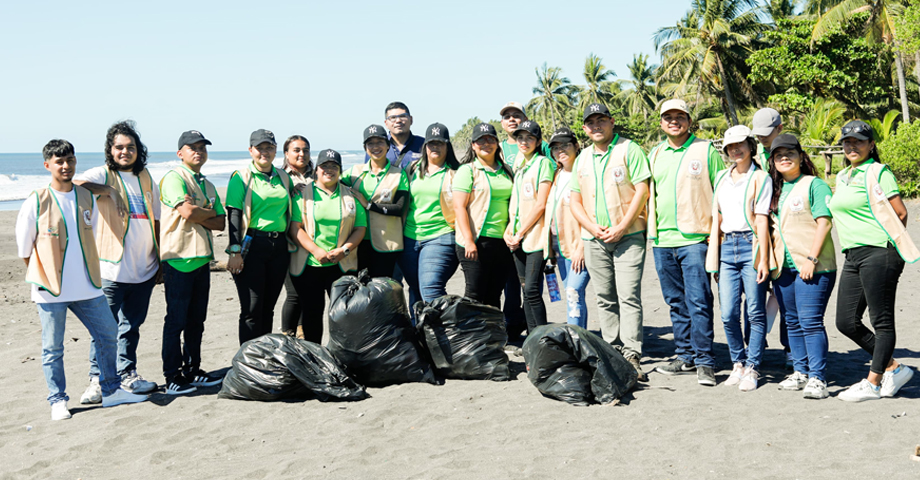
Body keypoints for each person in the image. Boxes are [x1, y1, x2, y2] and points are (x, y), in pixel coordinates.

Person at [16, 139, 147, 420]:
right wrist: (43, 275)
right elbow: (25, 250)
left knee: (108, 335)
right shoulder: (36, 200)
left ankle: (111, 391)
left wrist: (109, 191)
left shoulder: (86, 197)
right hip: (51, 290)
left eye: (70, 160)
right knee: (53, 348)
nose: (66, 166)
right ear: (47, 165)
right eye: (59, 161)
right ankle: (57, 400)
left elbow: (92, 232)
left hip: (88, 286)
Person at [829, 120, 917, 401]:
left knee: (881, 321)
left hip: (879, 252)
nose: (852, 146)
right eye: (847, 141)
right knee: (846, 322)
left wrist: (887, 245)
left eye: (858, 141)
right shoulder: (842, 176)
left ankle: (874, 382)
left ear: (871, 144)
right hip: (852, 254)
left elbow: (900, 213)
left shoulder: (878, 172)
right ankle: (893, 367)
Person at [73, 121, 160, 403]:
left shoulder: (145, 177)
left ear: (138, 150)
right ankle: (97, 379)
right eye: (119, 147)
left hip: (144, 268)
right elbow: (74, 183)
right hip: (111, 269)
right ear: (110, 150)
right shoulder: (103, 174)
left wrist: (160, 259)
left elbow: (156, 220)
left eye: (130, 147)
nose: (125, 152)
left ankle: (126, 374)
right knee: (104, 328)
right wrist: (108, 191)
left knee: (130, 327)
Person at [569, 103, 651, 381]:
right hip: (594, 239)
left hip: (628, 236)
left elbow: (642, 190)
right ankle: (612, 351)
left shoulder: (629, 149)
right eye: (591, 122)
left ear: (611, 122)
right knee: (604, 298)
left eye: (601, 120)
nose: (596, 126)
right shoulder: (582, 158)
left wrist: (622, 226)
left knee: (628, 296)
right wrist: (591, 227)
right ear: (584, 128)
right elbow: (575, 200)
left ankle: (632, 354)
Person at [649, 99, 725, 387]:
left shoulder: (705, 150)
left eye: (680, 116)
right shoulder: (655, 153)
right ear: (660, 123)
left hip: (695, 238)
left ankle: (705, 361)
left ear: (689, 121)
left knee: (699, 301)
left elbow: (722, 192)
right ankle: (685, 356)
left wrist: (716, 236)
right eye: (668, 117)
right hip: (662, 240)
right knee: (675, 303)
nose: (674, 121)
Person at [768, 134, 837, 399]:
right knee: (792, 321)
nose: (784, 158)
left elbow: (825, 223)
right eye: (778, 155)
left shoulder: (814, 185)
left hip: (813, 266)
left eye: (790, 153)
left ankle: (818, 377)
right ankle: (800, 371)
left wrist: (812, 258)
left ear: (801, 156)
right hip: (783, 267)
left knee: (810, 321)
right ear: (773, 161)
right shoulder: (774, 189)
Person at [704, 125, 773, 392]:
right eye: (730, 146)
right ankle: (738, 363)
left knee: (755, 310)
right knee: (728, 313)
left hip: (749, 244)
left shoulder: (761, 177)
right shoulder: (722, 177)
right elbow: (717, 215)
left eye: (740, 144)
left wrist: (764, 258)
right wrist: (714, 251)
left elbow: (762, 219)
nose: (735, 150)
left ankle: (753, 366)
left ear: (750, 146)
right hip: (726, 247)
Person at [158, 130, 226, 395]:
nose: (198, 152)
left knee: (197, 321)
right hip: (178, 259)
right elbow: (187, 212)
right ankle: (172, 376)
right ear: (180, 153)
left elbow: (220, 222)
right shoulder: (174, 178)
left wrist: (200, 212)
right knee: (176, 321)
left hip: (201, 260)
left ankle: (192, 369)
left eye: (202, 148)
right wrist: (202, 212)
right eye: (192, 148)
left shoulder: (206, 184)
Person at [288, 149, 366, 343]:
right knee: (312, 313)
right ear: (317, 169)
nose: (329, 170)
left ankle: (340, 353)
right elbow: (295, 227)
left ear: (340, 170)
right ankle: (315, 353)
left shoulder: (350, 195)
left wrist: (344, 250)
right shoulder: (303, 194)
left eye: (334, 166)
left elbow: (360, 228)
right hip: (310, 265)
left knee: (343, 314)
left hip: (341, 264)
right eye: (324, 166)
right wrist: (316, 250)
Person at [226, 129, 294, 345]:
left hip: (279, 246)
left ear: (275, 150)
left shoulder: (284, 177)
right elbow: (234, 215)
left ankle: (264, 355)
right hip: (252, 245)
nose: (264, 152)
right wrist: (234, 251)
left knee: (268, 308)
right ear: (250, 150)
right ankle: (247, 359)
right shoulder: (241, 177)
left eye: (269, 147)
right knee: (251, 309)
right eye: (259, 148)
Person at [399, 123, 460, 312]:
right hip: (410, 238)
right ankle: (419, 328)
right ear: (425, 146)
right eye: (431, 143)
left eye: (440, 143)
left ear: (447, 146)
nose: (435, 147)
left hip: (441, 235)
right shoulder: (411, 169)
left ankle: (444, 328)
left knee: (431, 288)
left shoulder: (456, 173)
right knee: (415, 288)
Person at [453, 123, 515, 309]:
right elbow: (459, 207)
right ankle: (469, 329)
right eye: (481, 140)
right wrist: (469, 241)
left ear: (497, 143)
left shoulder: (507, 171)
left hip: (502, 241)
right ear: (473, 145)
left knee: (494, 294)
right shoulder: (468, 170)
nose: (486, 144)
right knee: (474, 294)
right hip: (476, 241)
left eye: (490, 139)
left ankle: (492, 329)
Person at [505, 120, 555, 334]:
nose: (524, 142)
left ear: (538, 141)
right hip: (518, 238)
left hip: (535, 236)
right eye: (520, 138)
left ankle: (542, 339)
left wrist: (520, 232)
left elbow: (541, 204)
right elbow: (516, 205)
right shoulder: (519, 166)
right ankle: (532, 339)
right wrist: (509, 230)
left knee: (533, 290)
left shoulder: (543, 163)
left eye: (529, 138)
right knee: (526, 290)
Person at [342, 125, 410, 278]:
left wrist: (368, 205)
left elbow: (399, 208)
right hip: (357, 241)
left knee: (382, 287)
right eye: (370, 143)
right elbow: (329, 183)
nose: (375, 147)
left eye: (380, 142)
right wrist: (301, 187)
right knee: (359, 287)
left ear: (388, 146)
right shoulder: (354, 172)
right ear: (365, 148)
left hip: (387, 242)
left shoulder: (399, 174)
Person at [752, 107, 792, 368]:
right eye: (758, 134)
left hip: (784, 228)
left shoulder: (790, 153)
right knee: (756, 290)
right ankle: (756, 344)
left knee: (785, 292)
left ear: (780, 128)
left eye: (767, 133)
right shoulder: (752, 154)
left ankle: (790, 348)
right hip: (757, 228)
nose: (762, 138)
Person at [545, 127, 590, 329]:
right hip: (560, 248)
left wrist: (582, 246)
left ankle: (575, 338)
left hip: (579, 245)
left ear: (576, 146)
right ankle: (580, 335)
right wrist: (550, 249)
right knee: (573, 295)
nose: (560, 150)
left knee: (573, 291)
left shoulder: (584, 173)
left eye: (565, 145)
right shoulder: (556, 175)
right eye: (555, 147)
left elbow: (591, 212)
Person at [280, 135, 312, 339]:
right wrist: (292, 191)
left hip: (315, 243)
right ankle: (287, 335)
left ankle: (303, 334)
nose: (302, 154)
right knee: (294, 293)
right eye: (296, 150)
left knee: (309, 293)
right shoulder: (280, 177)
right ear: (286, 153)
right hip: (290, 243)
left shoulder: (318, 174)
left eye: (305, 150)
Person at [369, 101, 426, 170]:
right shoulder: (377, 147)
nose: (398, 120)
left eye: (403, 116)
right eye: (392, 118)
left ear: (411, 120)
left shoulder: (424, 144)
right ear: (386, 123)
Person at [498, 102, 552, 166]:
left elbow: (555, 168)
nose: (511, 119)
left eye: (516, 116)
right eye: (507, 117)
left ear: (525, 120)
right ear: (502, 123)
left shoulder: (540, 145)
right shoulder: (496, 149)